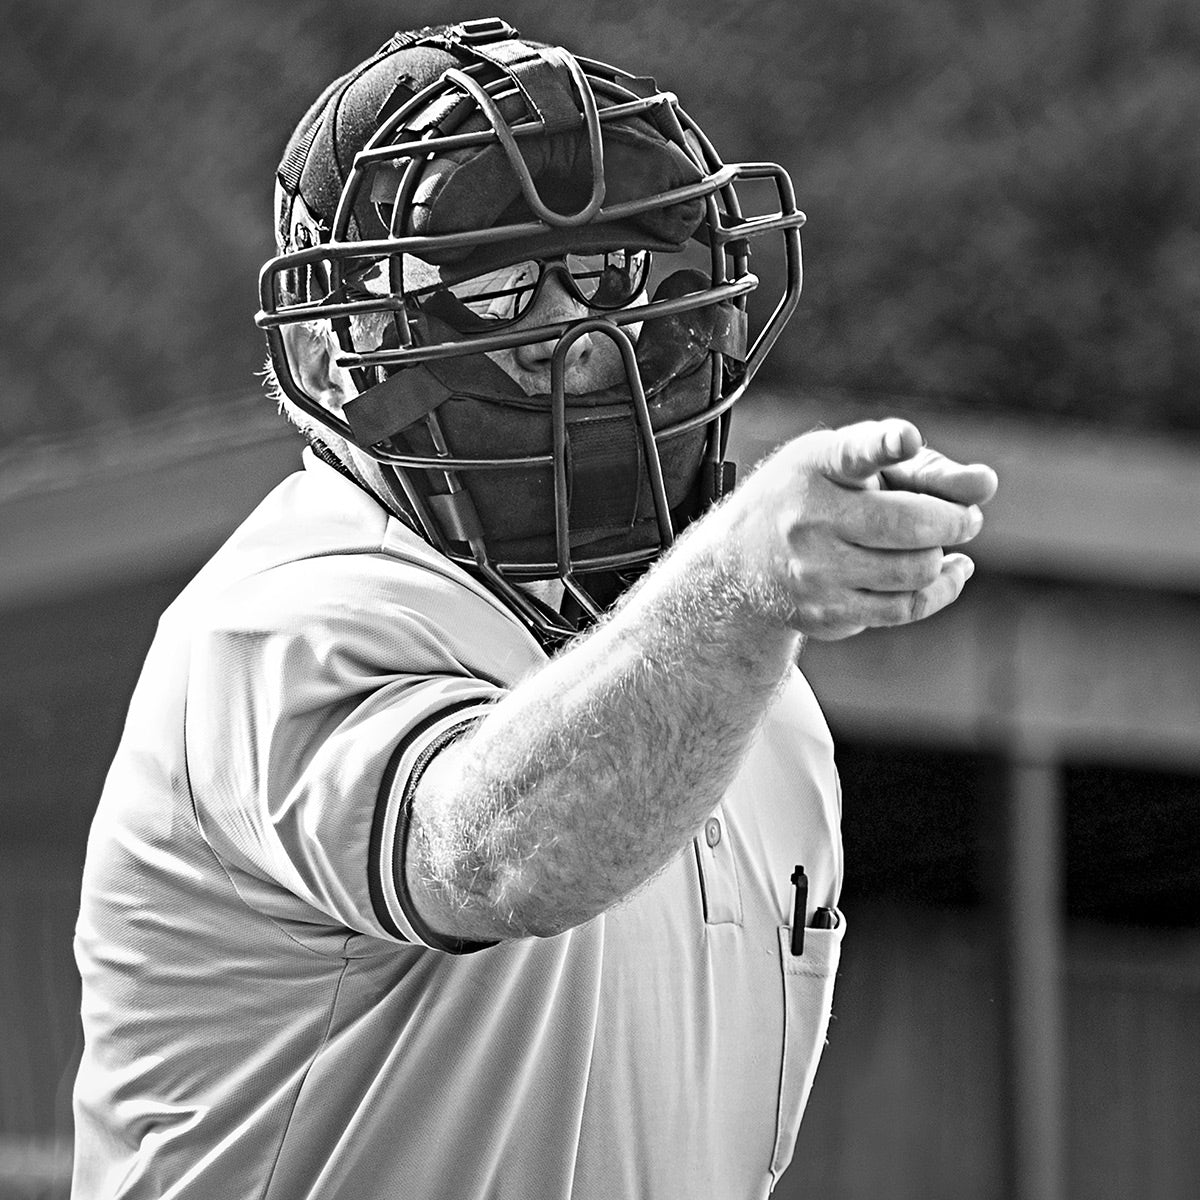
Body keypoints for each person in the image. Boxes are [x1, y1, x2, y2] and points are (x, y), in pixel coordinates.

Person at [72, 17, 998, 1200]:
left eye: (612, 269)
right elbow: (495, 857)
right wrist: (736, 587)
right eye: (498, 286)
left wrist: (737, 606)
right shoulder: (286, 618)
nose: (584, 338)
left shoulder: (762, 702)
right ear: (331, 357)